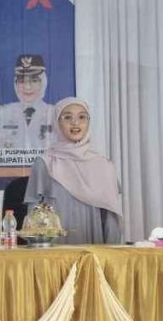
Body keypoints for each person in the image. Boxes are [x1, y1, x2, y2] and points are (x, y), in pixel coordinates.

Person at [24, 97, 122, 244]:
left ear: (88, 122)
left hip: (92, 251)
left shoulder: (104, 166)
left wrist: (112, 253)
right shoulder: (45, 163)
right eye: (67, 117)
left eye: (82, 117)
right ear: (57, 123)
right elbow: (33, 218)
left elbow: (111, 221)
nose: (75, 123)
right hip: (54, 251)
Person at [0, 54, 57, 149]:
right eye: (22, 81)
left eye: (34, 80)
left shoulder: (54, 114)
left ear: (43, 83)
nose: (27, 87)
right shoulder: (2, 114)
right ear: (15, 84)